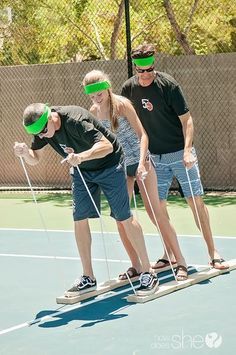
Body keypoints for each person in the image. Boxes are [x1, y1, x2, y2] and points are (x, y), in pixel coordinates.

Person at [13, 103, 159, 296]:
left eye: (43, 131)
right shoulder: (42, 129)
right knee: (79, 219)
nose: (41, 136)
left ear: (50, 117)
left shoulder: (76, 120)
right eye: (37, 134)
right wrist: (25, 153)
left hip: (110, 164)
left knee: (123, 217)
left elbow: (106, 146)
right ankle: (88, 277)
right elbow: (35, 157)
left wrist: (81, 156)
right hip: (82, 171)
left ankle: (148, 272)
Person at [121, 43, 229, 270]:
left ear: (153, 65)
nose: (146, 74)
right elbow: (123, 120)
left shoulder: (168, 85)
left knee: (195, 203)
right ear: (135, 69)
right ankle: (168, 253)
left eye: (149, 69)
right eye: (141, 71)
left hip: (180, 155)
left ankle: (213, 252)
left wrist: (188, 150)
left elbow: (187, 120)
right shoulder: (129, 89)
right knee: (157, 209)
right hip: (154, 159)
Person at [82, 70, 188, 280]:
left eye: (99, 94)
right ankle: (136, 265)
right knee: (121, 217)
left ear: (106, 87)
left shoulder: (122, 104)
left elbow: (143, 135)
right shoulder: (93, 110)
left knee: (155, 213)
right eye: (92, 96)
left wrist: (141, 163)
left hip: (141, 162)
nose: (96, 99)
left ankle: (181, 261)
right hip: (119, 167)